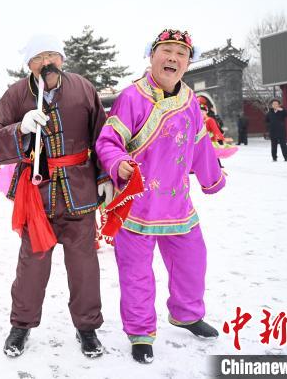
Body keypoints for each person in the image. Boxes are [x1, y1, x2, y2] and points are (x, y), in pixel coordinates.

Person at [0, 34, 113, 358]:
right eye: (40, 57)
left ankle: (87, 328)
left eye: (53, 55)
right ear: (30, 64)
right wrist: (18, 129)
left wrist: (105, 176)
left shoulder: (82, 88)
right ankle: (21, 325)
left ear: (62, 59)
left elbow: (103, 136)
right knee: (31, 268)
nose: (48, 62)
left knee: (84, 267)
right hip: (37, 197)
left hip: (79, 192)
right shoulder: (17, 94)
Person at [95, 29, 225, 364]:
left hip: (178, 205)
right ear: (152, 57)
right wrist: (119, 163)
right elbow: (108, 142)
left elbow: (200, 145)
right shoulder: (131, 98)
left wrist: (213, 180)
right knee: (137, 274)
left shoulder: (190, 104)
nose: (173, 58)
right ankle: (140, 332)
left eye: (181, 53)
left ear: (187, 64)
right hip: (136, 206)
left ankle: (187, 314)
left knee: (192, 264)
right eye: (166, 50)